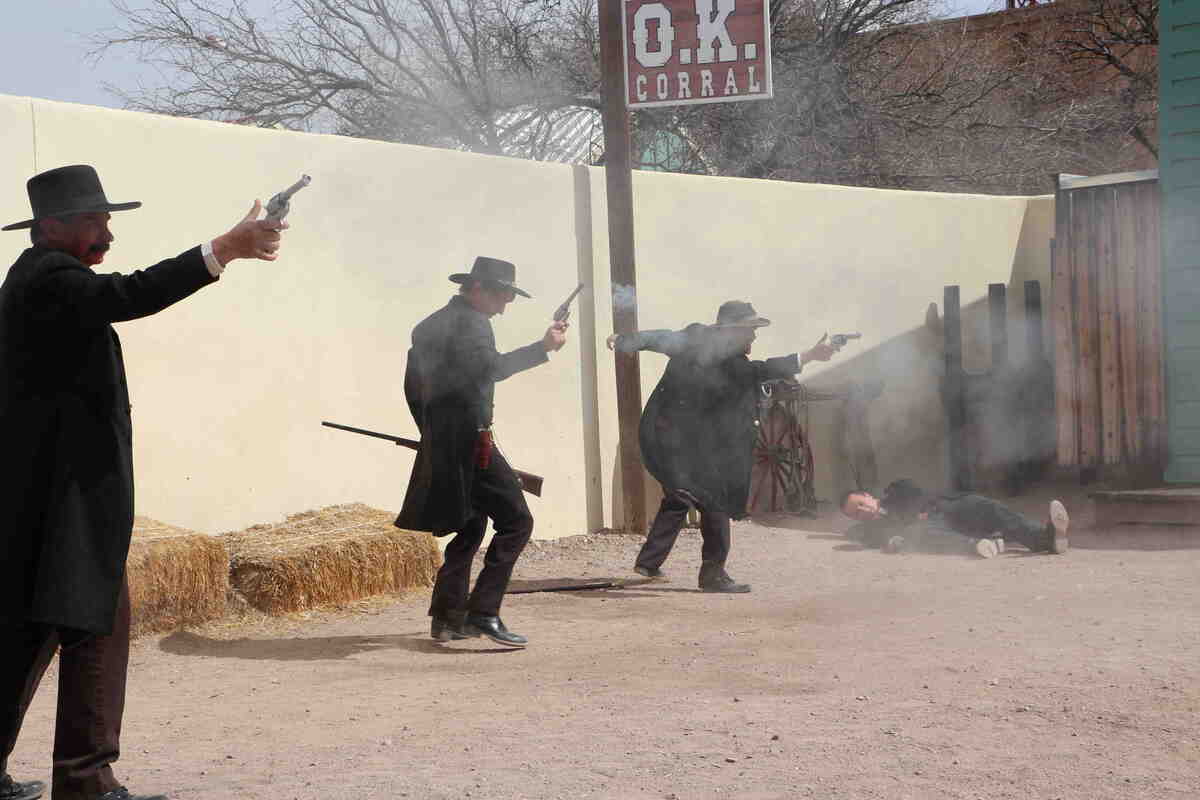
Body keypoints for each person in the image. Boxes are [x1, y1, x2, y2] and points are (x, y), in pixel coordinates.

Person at [0, 165, 285, 800]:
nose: (107, 234)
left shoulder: (42, 278)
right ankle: (86, 782)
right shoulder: (51, 277)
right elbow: (128, 295)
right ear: (51, 228)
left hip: (43, 499)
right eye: (93, 222)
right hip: (66, 500)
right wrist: (222, 251)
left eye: (107, 221)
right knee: (98, 625)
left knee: (28, 630)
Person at [608, 301, 840, 592]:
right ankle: (713, 576)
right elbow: (763, 369)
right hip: (672, 440)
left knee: (681, 495)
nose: (754, 337)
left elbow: (662, 338)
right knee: (715, 499)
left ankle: (649, 562)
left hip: (685, 441)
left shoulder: (707, 343)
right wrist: (811, 355)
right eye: (750, 331)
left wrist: (624, 340)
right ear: (732, 331)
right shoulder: (720, 355)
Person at [396, 256, 568, 648]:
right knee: (517, 521)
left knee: (471, 524)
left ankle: (447, 617)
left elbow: (413, 388)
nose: (505, 304)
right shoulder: (473, 324)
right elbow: (492, 368)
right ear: (477, 288)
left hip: (446, 439)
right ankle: (483, 613)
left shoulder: (429, 325)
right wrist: (544, 347)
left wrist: (434, 430)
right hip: (471, 441)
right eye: (501, 294)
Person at [840, 479, 1070, 558]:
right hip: (936, 530)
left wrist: (893, 516)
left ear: (868, 495)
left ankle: (1046, 538)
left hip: (949, 510)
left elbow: (917, 495)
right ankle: (979, 546)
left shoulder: (896, 489)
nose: (863, 511)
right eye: (856, 514)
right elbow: (856, 536)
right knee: (915, 532)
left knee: (984, 506)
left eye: (861, 504)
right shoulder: (871, 531)